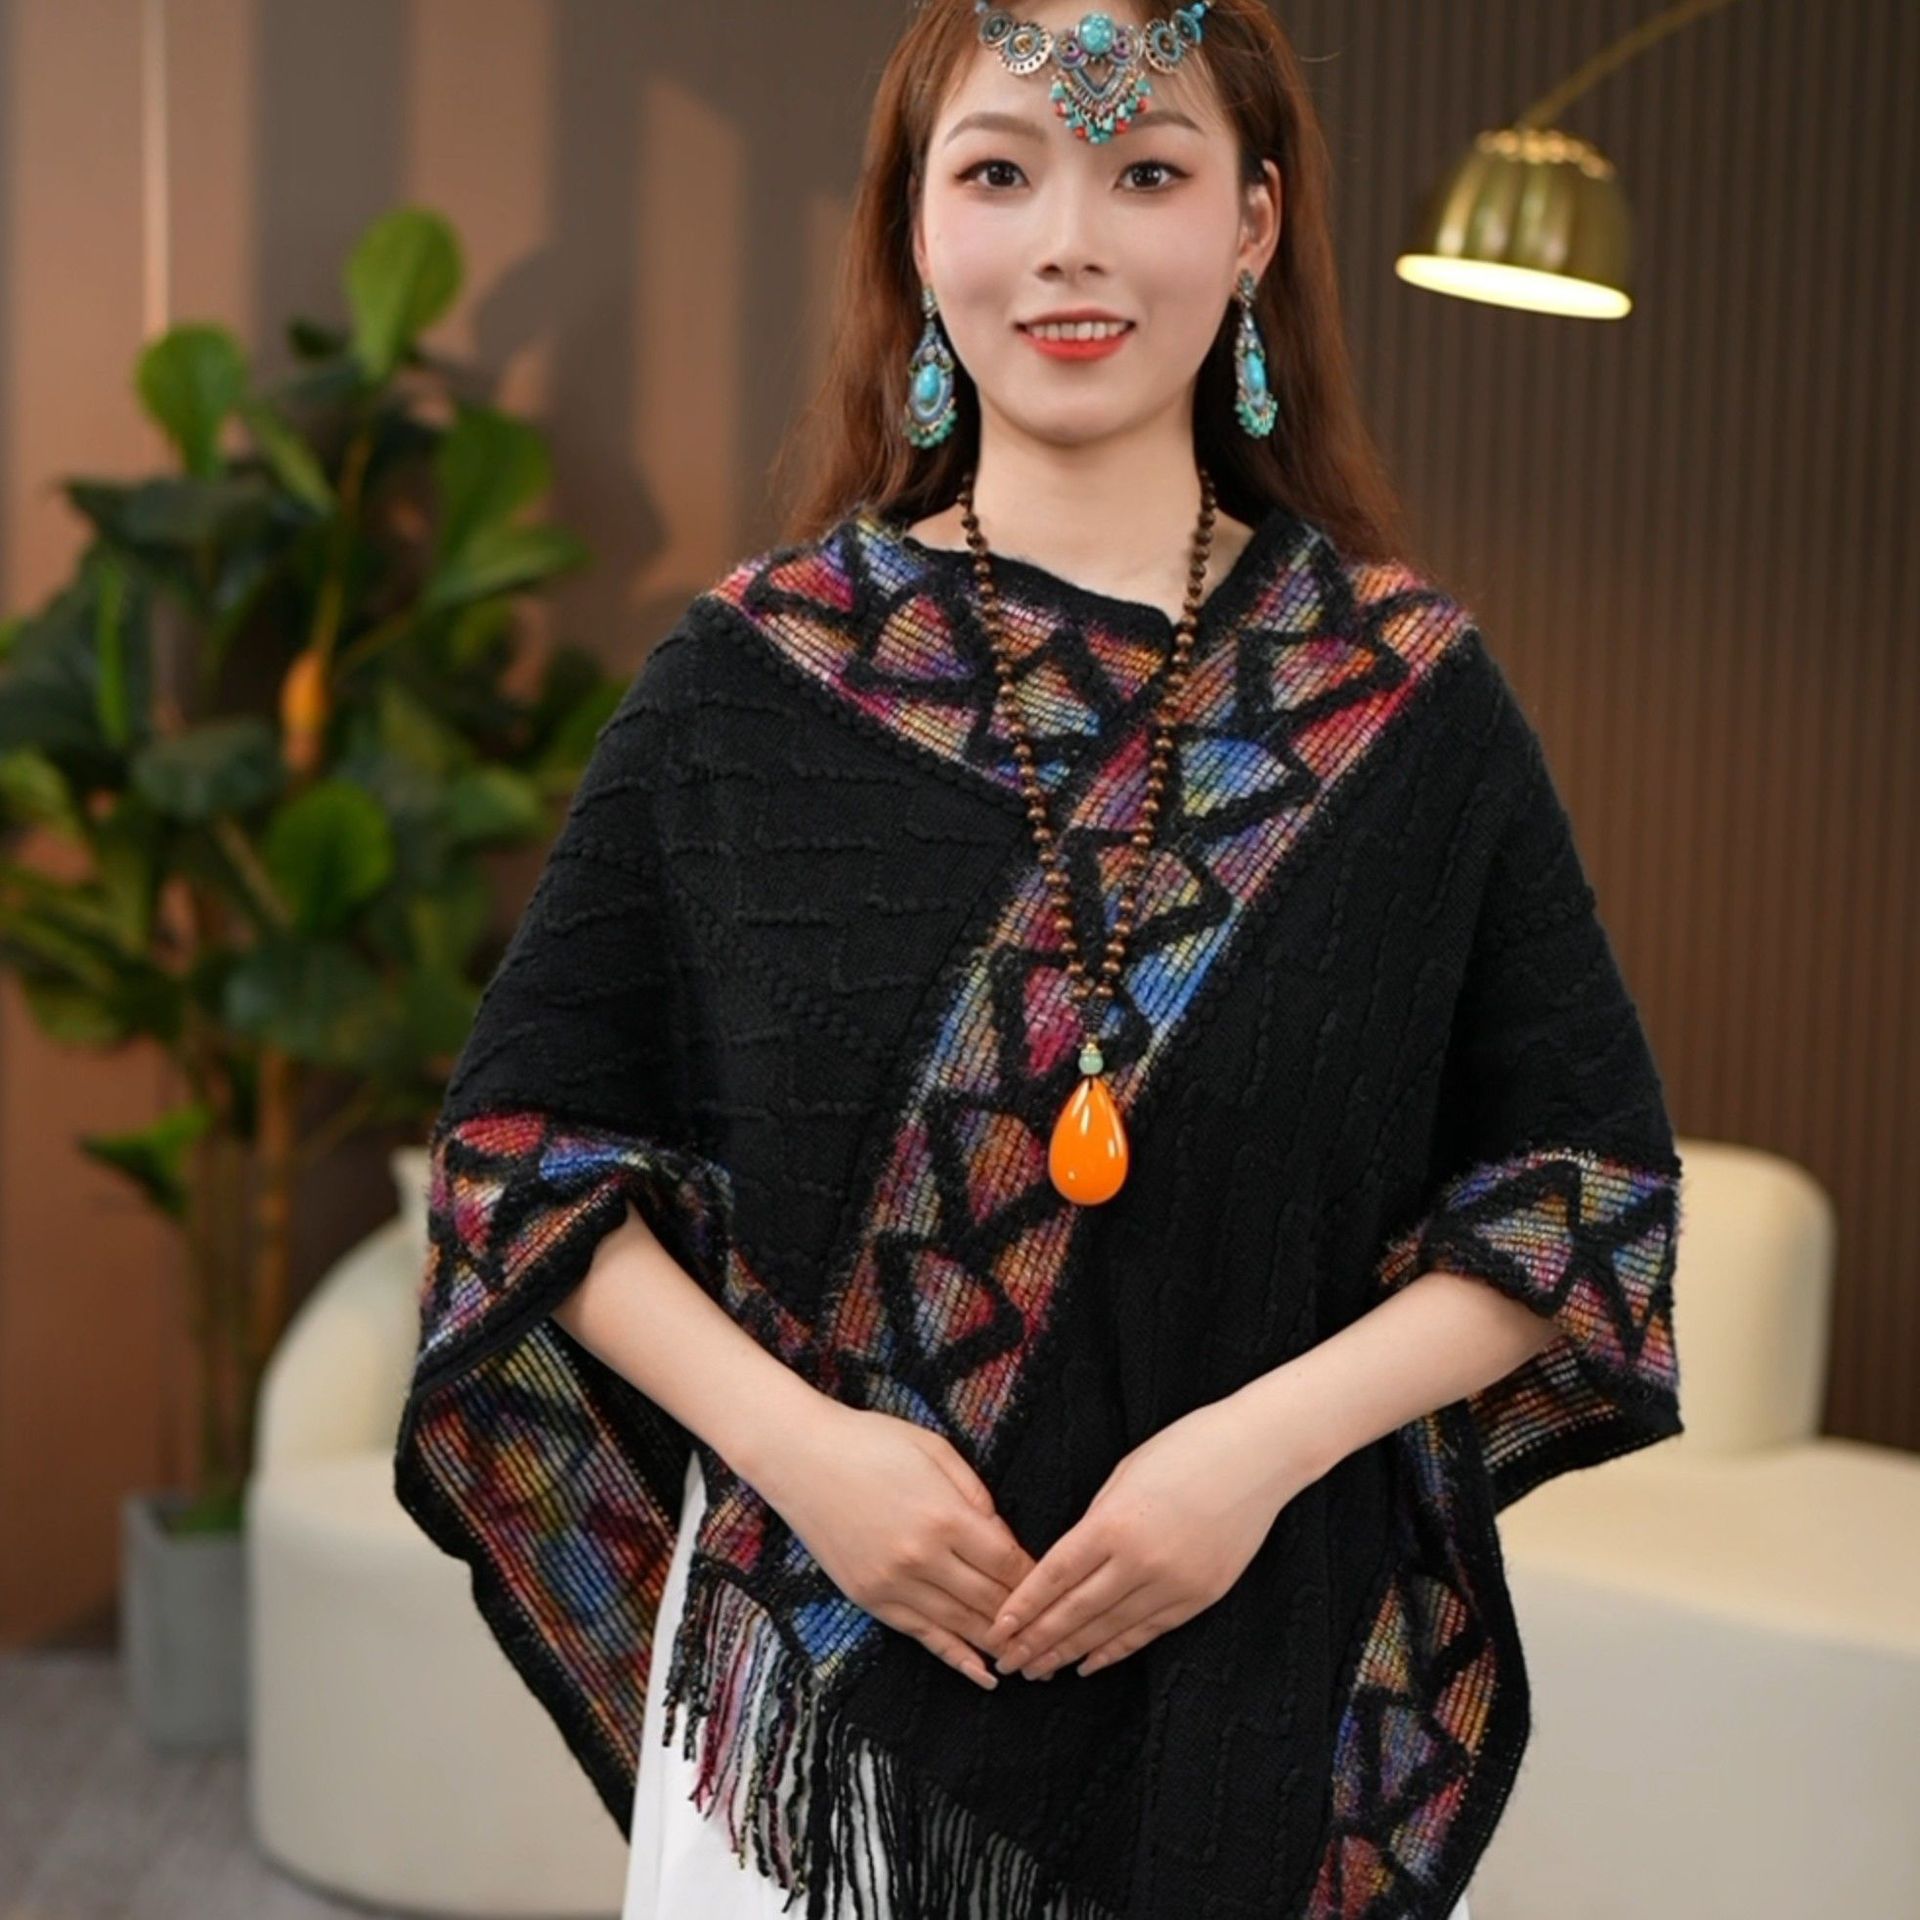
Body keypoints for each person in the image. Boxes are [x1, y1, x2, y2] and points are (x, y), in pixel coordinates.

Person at [393, 3, 1685, 1917]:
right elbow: (518, 1165)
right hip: (816, 1716)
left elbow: (1581, 1198)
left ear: (1250, 227)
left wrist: (1248, 1458)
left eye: (1147, 171)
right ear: (918, 231)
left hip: (1255, 1682)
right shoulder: (743, 686)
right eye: (999, 171)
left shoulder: (1404, 704)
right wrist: (805, 1456)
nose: (1070, 242)